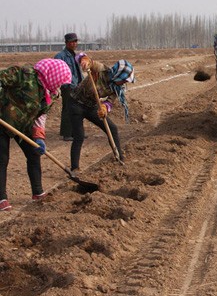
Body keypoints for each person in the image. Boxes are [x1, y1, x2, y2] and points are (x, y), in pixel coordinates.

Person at [0, 59, 72, 211]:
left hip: (23, 125)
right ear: (53, 75)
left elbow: (40, 116)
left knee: (34, 153)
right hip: (2, 120)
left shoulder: (49, 94)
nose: (60, 85)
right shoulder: (23, 75)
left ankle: (38, 192)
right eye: (59, 81)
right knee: (2, 158)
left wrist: (39, 137)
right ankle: (1, 198)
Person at [69, 56, 135, 171]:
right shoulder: (101, 69)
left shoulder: (117, 88)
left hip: (91, 106)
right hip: (76, 104)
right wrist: (85, 61)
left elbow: (110, 101)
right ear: (118, 74)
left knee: (112, 129)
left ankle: (119, 158)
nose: (124, 82)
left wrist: (105, 107)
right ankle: (75, 168)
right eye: (124, 79)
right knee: (79, 136)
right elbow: (83, 58)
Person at [54, 32, 84, 141]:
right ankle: (67, 134)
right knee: (67, 109)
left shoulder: (75, 55)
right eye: (72, 41)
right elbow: (56, 72)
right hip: (68, 87)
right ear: (66, 43)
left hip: (77, 86)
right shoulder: (60, 56)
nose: (74, 43)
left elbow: (78, 72)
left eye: (75, 41)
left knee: (77, 110)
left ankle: (76, 132)